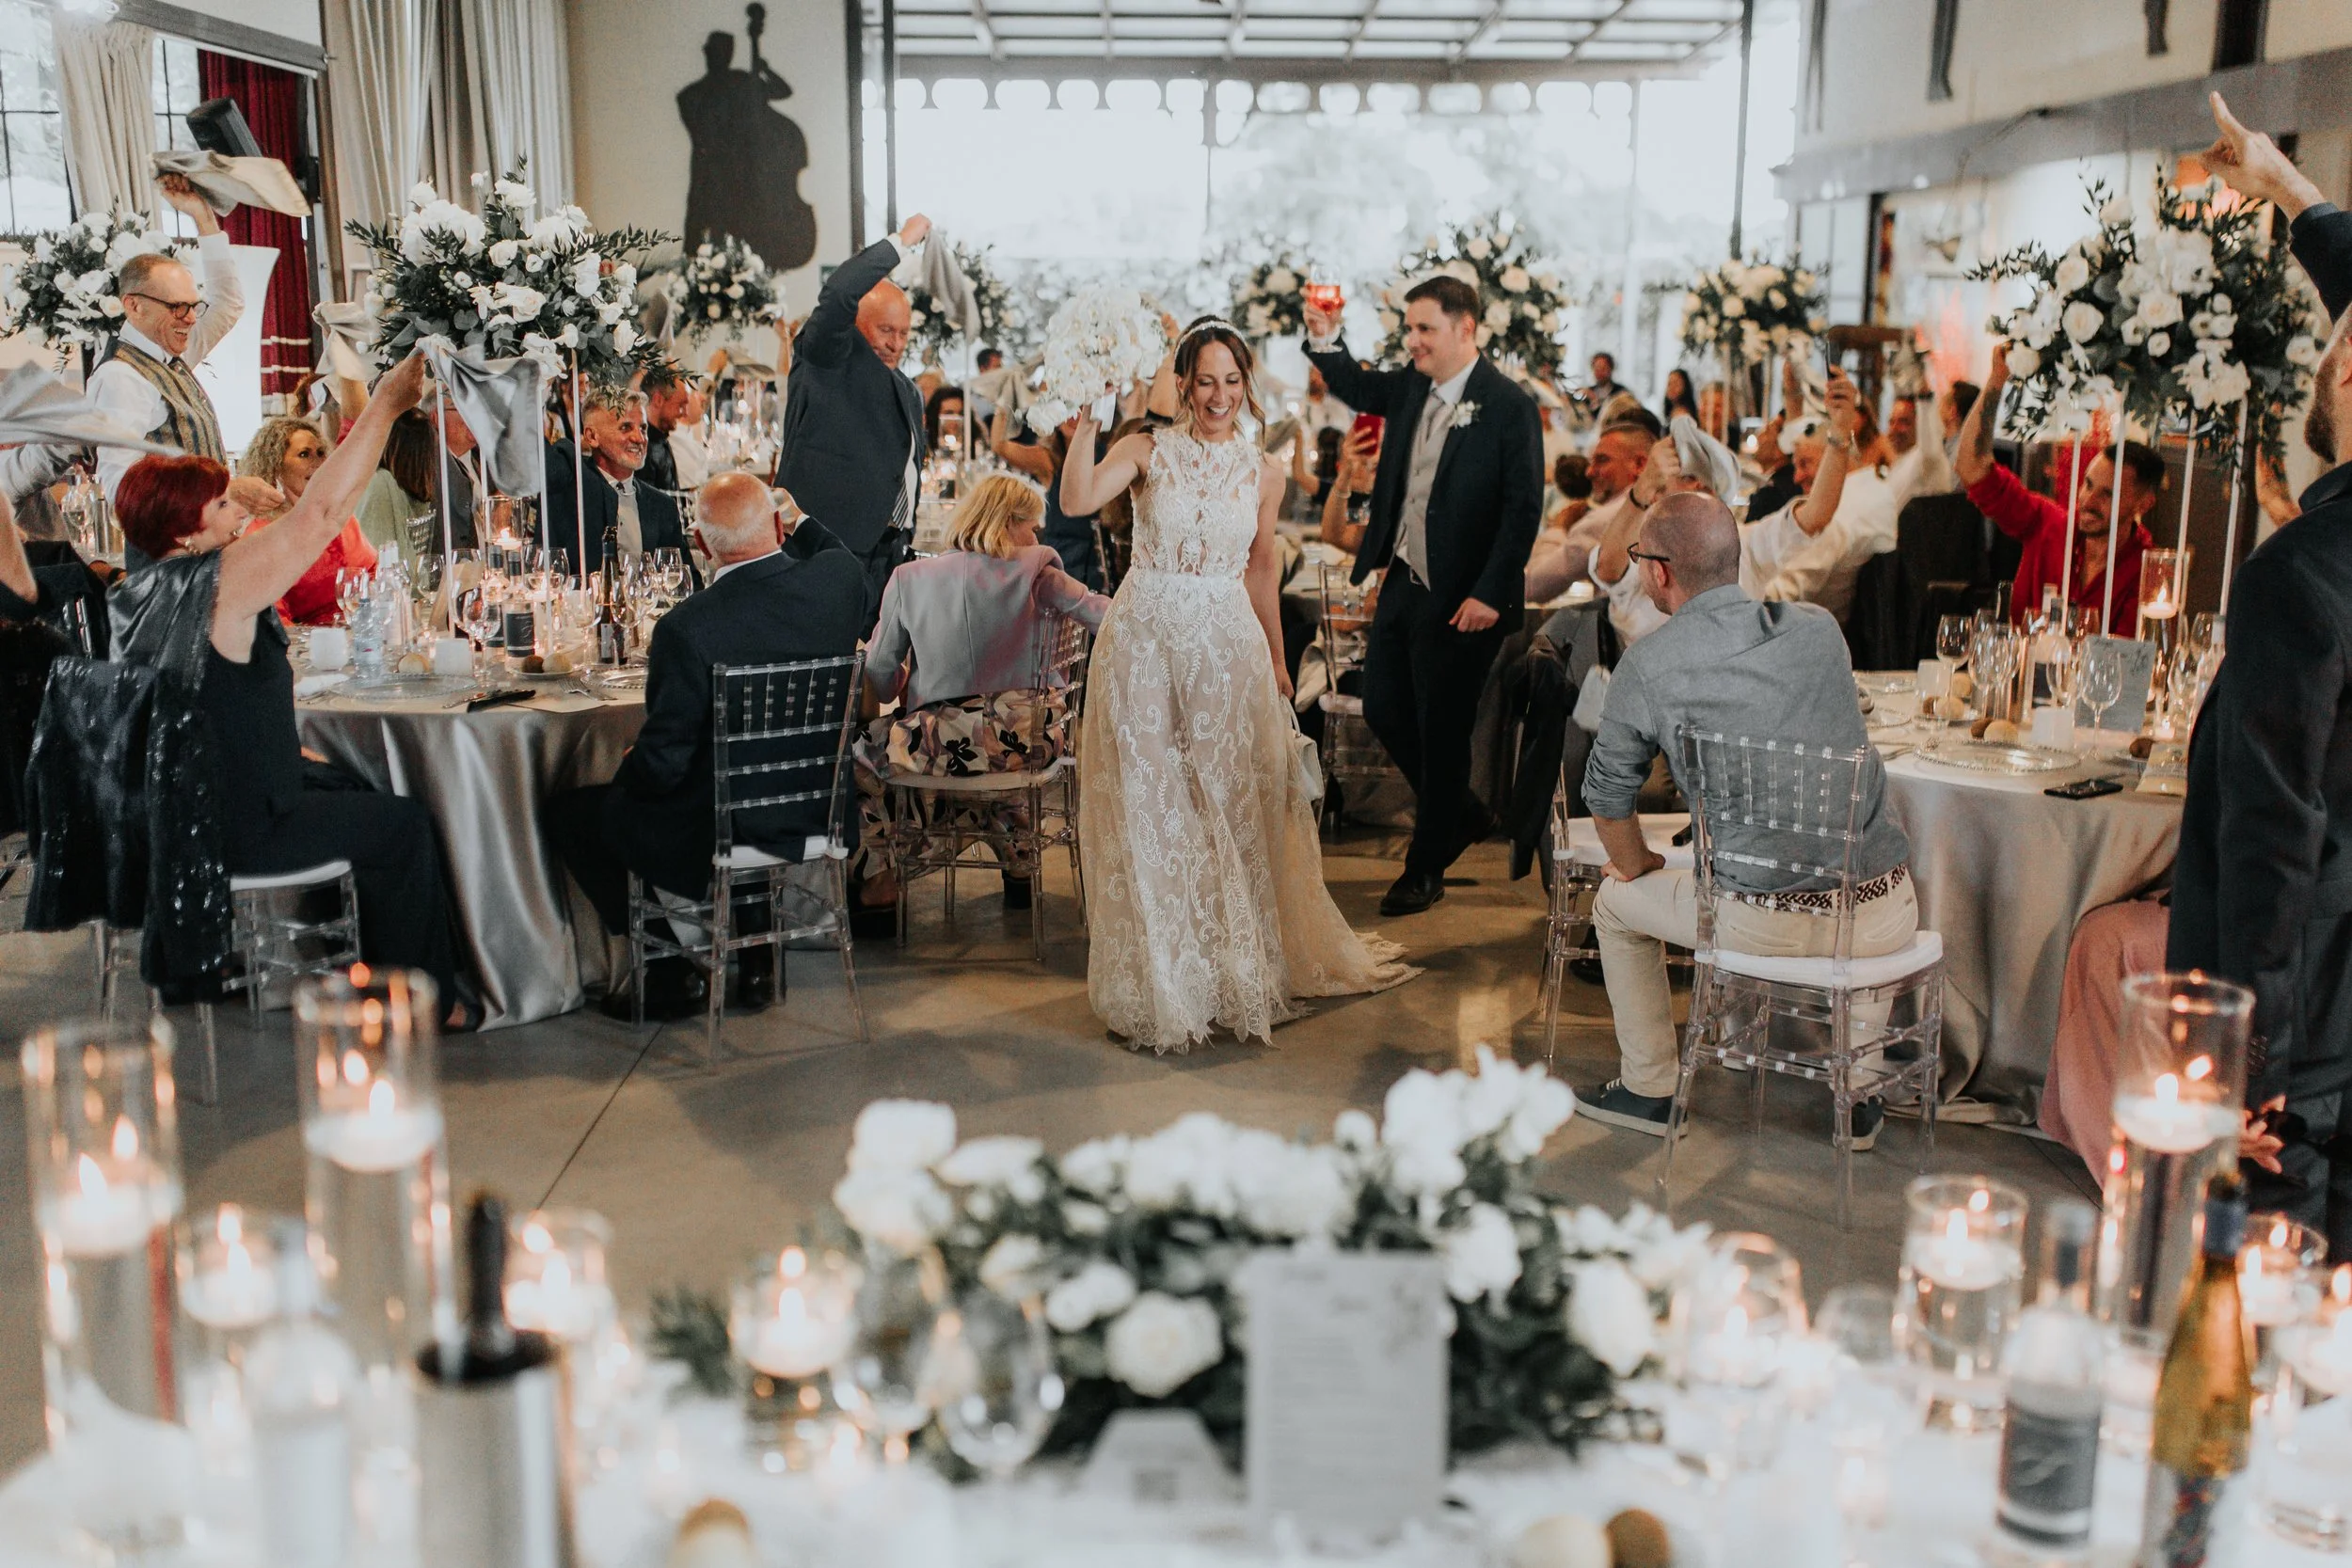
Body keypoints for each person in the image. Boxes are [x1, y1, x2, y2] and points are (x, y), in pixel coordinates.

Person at [1057, 316, 1417, 1051]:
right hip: (1146, 639)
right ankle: (1163, 983)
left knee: (1227, 805)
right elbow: (1076, 500)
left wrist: (1280, 662)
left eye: (1231, 380)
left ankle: (1227, 969)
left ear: (1244, 385)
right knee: (1151, 806)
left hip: (1226, 644)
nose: (1218, 394)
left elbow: (1259, 569)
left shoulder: (1264, 470)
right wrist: (1089, 422)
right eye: (1205, 380)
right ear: (1183, 383)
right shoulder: (1146, 447)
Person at [86, 355, 471, 1024]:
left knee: (349, 784)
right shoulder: (215, 585)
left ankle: (357, 964)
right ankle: (423, 1002)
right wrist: (382, 404)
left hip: (178, 819)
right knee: (404, 823)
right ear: (186, 528)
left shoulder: (137, 593)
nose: (239, 509)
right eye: (223, 503)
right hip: (236, 828)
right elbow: (321, 512)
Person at [1575, 493, 1916, 1141]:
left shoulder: (1649, 664)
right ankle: (1861, 1089)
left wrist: (1636, 866)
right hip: (1883, 912)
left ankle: (1650, 1089)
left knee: (1614, 906)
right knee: (1858, 877)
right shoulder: (1819, 628)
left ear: (1659, 573)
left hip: (1760, 924)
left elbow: (1606, 797)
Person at [2171, 98, 2352, 1250]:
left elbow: (2272, 843)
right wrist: (2288, 189)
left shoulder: (2300, 575)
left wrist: (2246, 1063)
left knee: (2256, 1313)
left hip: (2308, 1039)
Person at [544, 471, 866, 1021]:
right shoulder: (839, 581)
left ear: (700, 545)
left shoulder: (686, 628)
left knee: (578, 812)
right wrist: (797, 519)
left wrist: (631, 767)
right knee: (739, 773)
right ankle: (759, 958)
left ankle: (666, 972)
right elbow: (833, 549)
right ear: (778, 526)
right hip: (823, 808)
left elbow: (664, 766)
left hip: (725, 823)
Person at [1304, 277, 1545, 916]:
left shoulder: (1508, 404)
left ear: (1465, 330)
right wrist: (1324, 339)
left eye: (1425, 329)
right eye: (1408, 328)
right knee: (1383, 706)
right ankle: (1462, 812)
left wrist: (1493, 592)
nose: (1412, 341)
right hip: (1404, 580)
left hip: (1468, 597)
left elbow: (1523, 510)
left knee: (1443, 733)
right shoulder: (1411, 385)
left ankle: (1423, 867)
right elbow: (1355, 383)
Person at [851, 473, 1110, 932]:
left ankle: (884, 882)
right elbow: (1105, 617)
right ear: (1009, 523)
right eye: (1033, 527)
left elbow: (879, 672)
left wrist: (904, 685)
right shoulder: (1040, 574)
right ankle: (1016, 852)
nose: (1036, 538)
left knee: (865, 756)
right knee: (990, 764)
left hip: (939, 744)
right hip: (1028, 741)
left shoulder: (909, 579)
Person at [0, 176, 245, 511]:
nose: (190, 318)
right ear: (133, 305)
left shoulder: (171, 353)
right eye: (177, 307)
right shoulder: (121, 377)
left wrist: (202, 217)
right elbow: (121, 487)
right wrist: (213, 502)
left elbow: (227, 303)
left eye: (193, 305)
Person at [779, 213, 932, 629]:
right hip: (825, 548)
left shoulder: (907, 389)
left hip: (886, 555)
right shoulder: (828, 355)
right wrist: (901, 242)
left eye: (903, 334)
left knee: (873, 679)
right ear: (855, 324)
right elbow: (839, 292)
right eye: (885, 329)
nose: (894, 343)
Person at [1954, 343, 2159, 635]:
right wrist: (1997, 380)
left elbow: (2128, 664)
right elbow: (1971, 467)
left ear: (2144, 504)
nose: (2089, 500)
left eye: (2107, 494)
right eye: (2088, 485)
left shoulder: (2147, 572)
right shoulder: (2048, 525)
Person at [1740, 374, 1896, 623]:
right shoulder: (1877, 488)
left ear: (1835, 458)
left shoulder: (1836, 516)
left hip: (1813, 635)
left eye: (1805, 464)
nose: (1797, 477)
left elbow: (1783, 596)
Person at [232, 417, 376, 625]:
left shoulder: (340, 517)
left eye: (320, 453)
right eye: (304, 455)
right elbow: (274, 621)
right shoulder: (263, 535)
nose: (318, 463)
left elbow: (374, 576)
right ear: (276, 467)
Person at [546, 387, 691, 570]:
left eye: (643, 429)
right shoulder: (568, 492)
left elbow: (688, 583)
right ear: (592, 436)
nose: (640, 438)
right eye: (625, 427)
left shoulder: (663, 507)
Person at [1527, 425, 1645, 603]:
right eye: (1591, 462)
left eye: (1602, 460)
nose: (1589, 472)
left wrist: (1558, 528)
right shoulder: (1673, 502)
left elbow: (1534, 586)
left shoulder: (1602, 520)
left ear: (1639, 464)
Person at [1571, 351, 1629, 420]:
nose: (1599, 372)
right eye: (1596, 368)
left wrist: (1594, 400)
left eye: (1603, 368)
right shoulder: (1588, 393)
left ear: (1611, 369)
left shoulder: (1621, 392)